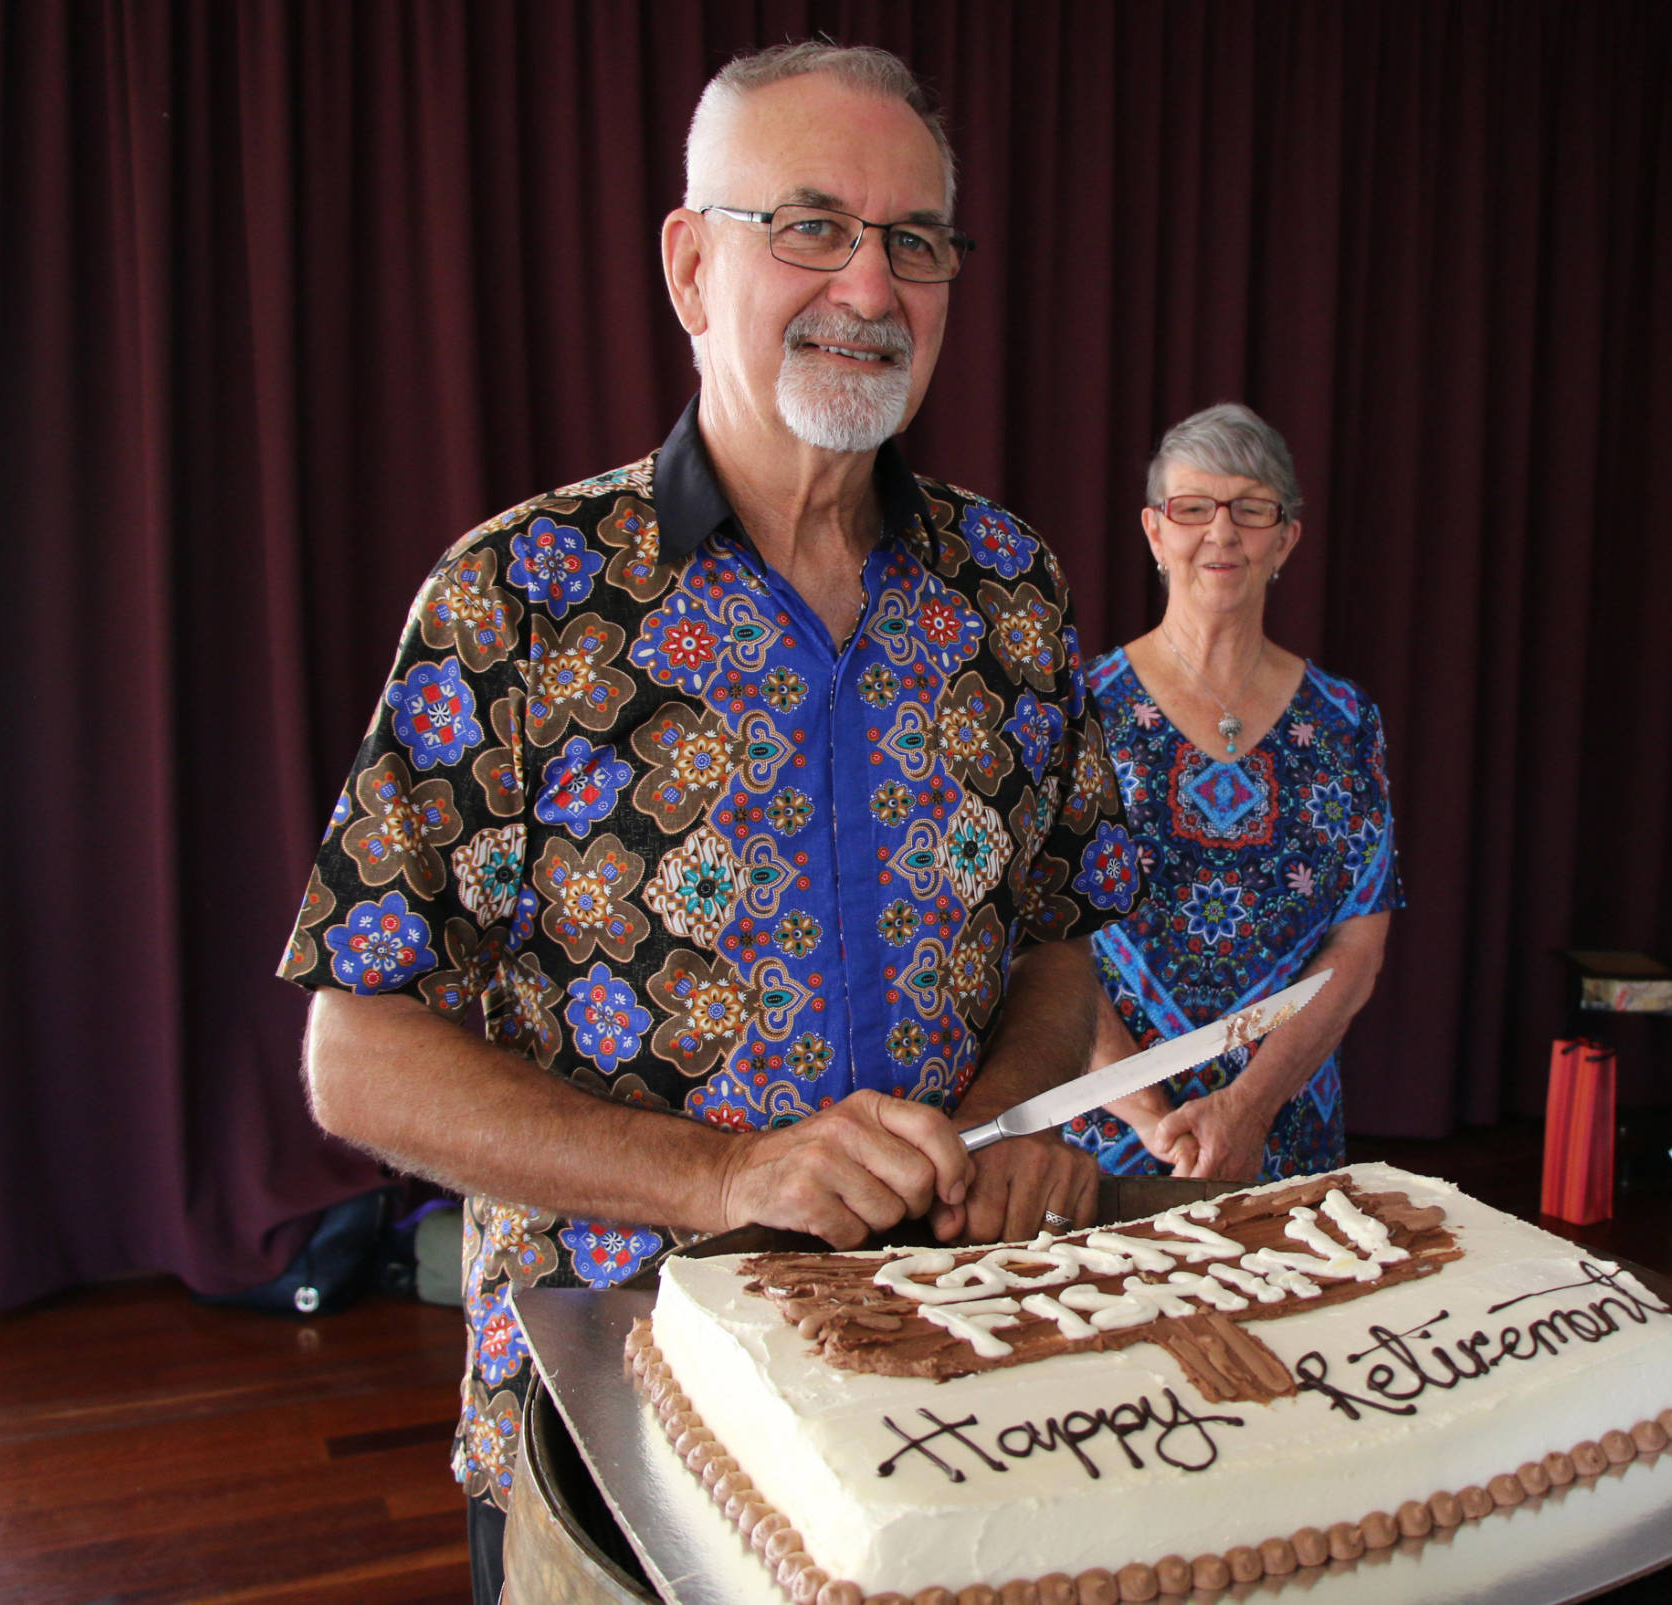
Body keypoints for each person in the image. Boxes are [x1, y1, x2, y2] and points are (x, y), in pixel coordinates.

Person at [278, 42, 1135, 1600]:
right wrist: (722, 1177)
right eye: (809, 224)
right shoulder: (517, 601)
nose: (869, 286)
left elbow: (1059, 939)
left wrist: (1017, 1124)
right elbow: (356, 1051)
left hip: (952, 1411)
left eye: (915, 241)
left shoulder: (1017, 592)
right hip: (621, 1436)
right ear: (692, 264)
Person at [1062, 403, 1401, 1184]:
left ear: (1285, 539)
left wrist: (1247, 1108)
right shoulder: (1079, 711)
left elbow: (1358, 949)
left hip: (1284, 1126)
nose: (1221, 532)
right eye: (1192, 508)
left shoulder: (1347, 723)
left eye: (1251, 509)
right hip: (1108, 1137)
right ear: (1155, 531)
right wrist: (1155, 1122)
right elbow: (1048, 941)